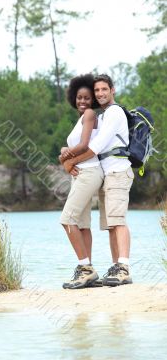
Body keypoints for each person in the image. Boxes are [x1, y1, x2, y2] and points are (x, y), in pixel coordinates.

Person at [63, 74, 134, 286]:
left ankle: (124, 267)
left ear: (113, 90)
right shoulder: (101, 117)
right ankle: (115, 268)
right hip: (106, 173)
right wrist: (66, 152)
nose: (100, 94)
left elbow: (95, 147)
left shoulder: (114, 113)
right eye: (97, 91)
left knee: (118, 221)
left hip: (118, 171)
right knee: (111, 224)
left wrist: (68, 162)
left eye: (104, 89)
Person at [59, 74, 104, 289]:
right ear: (73, 98)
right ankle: (89, 270)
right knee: (83, 225)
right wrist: (65, 152)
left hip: (88, 173)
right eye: (79, 98)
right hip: (81, 174)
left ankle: (84, 268)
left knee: (67, 220)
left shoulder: (89, 114)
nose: (83, 101)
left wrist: (64, 158)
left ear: (92, 100)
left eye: (87, 98)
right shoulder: (81, 118)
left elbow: (85, 144)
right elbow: (76, 144)